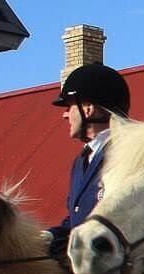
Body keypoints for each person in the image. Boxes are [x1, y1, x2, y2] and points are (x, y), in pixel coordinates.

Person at [48, 63, 130, 261]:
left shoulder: (125, 154)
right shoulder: (80, 162)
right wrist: (50, 236)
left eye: (69, 107)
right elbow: (77, 222)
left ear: (88, 109)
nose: (65, 114)